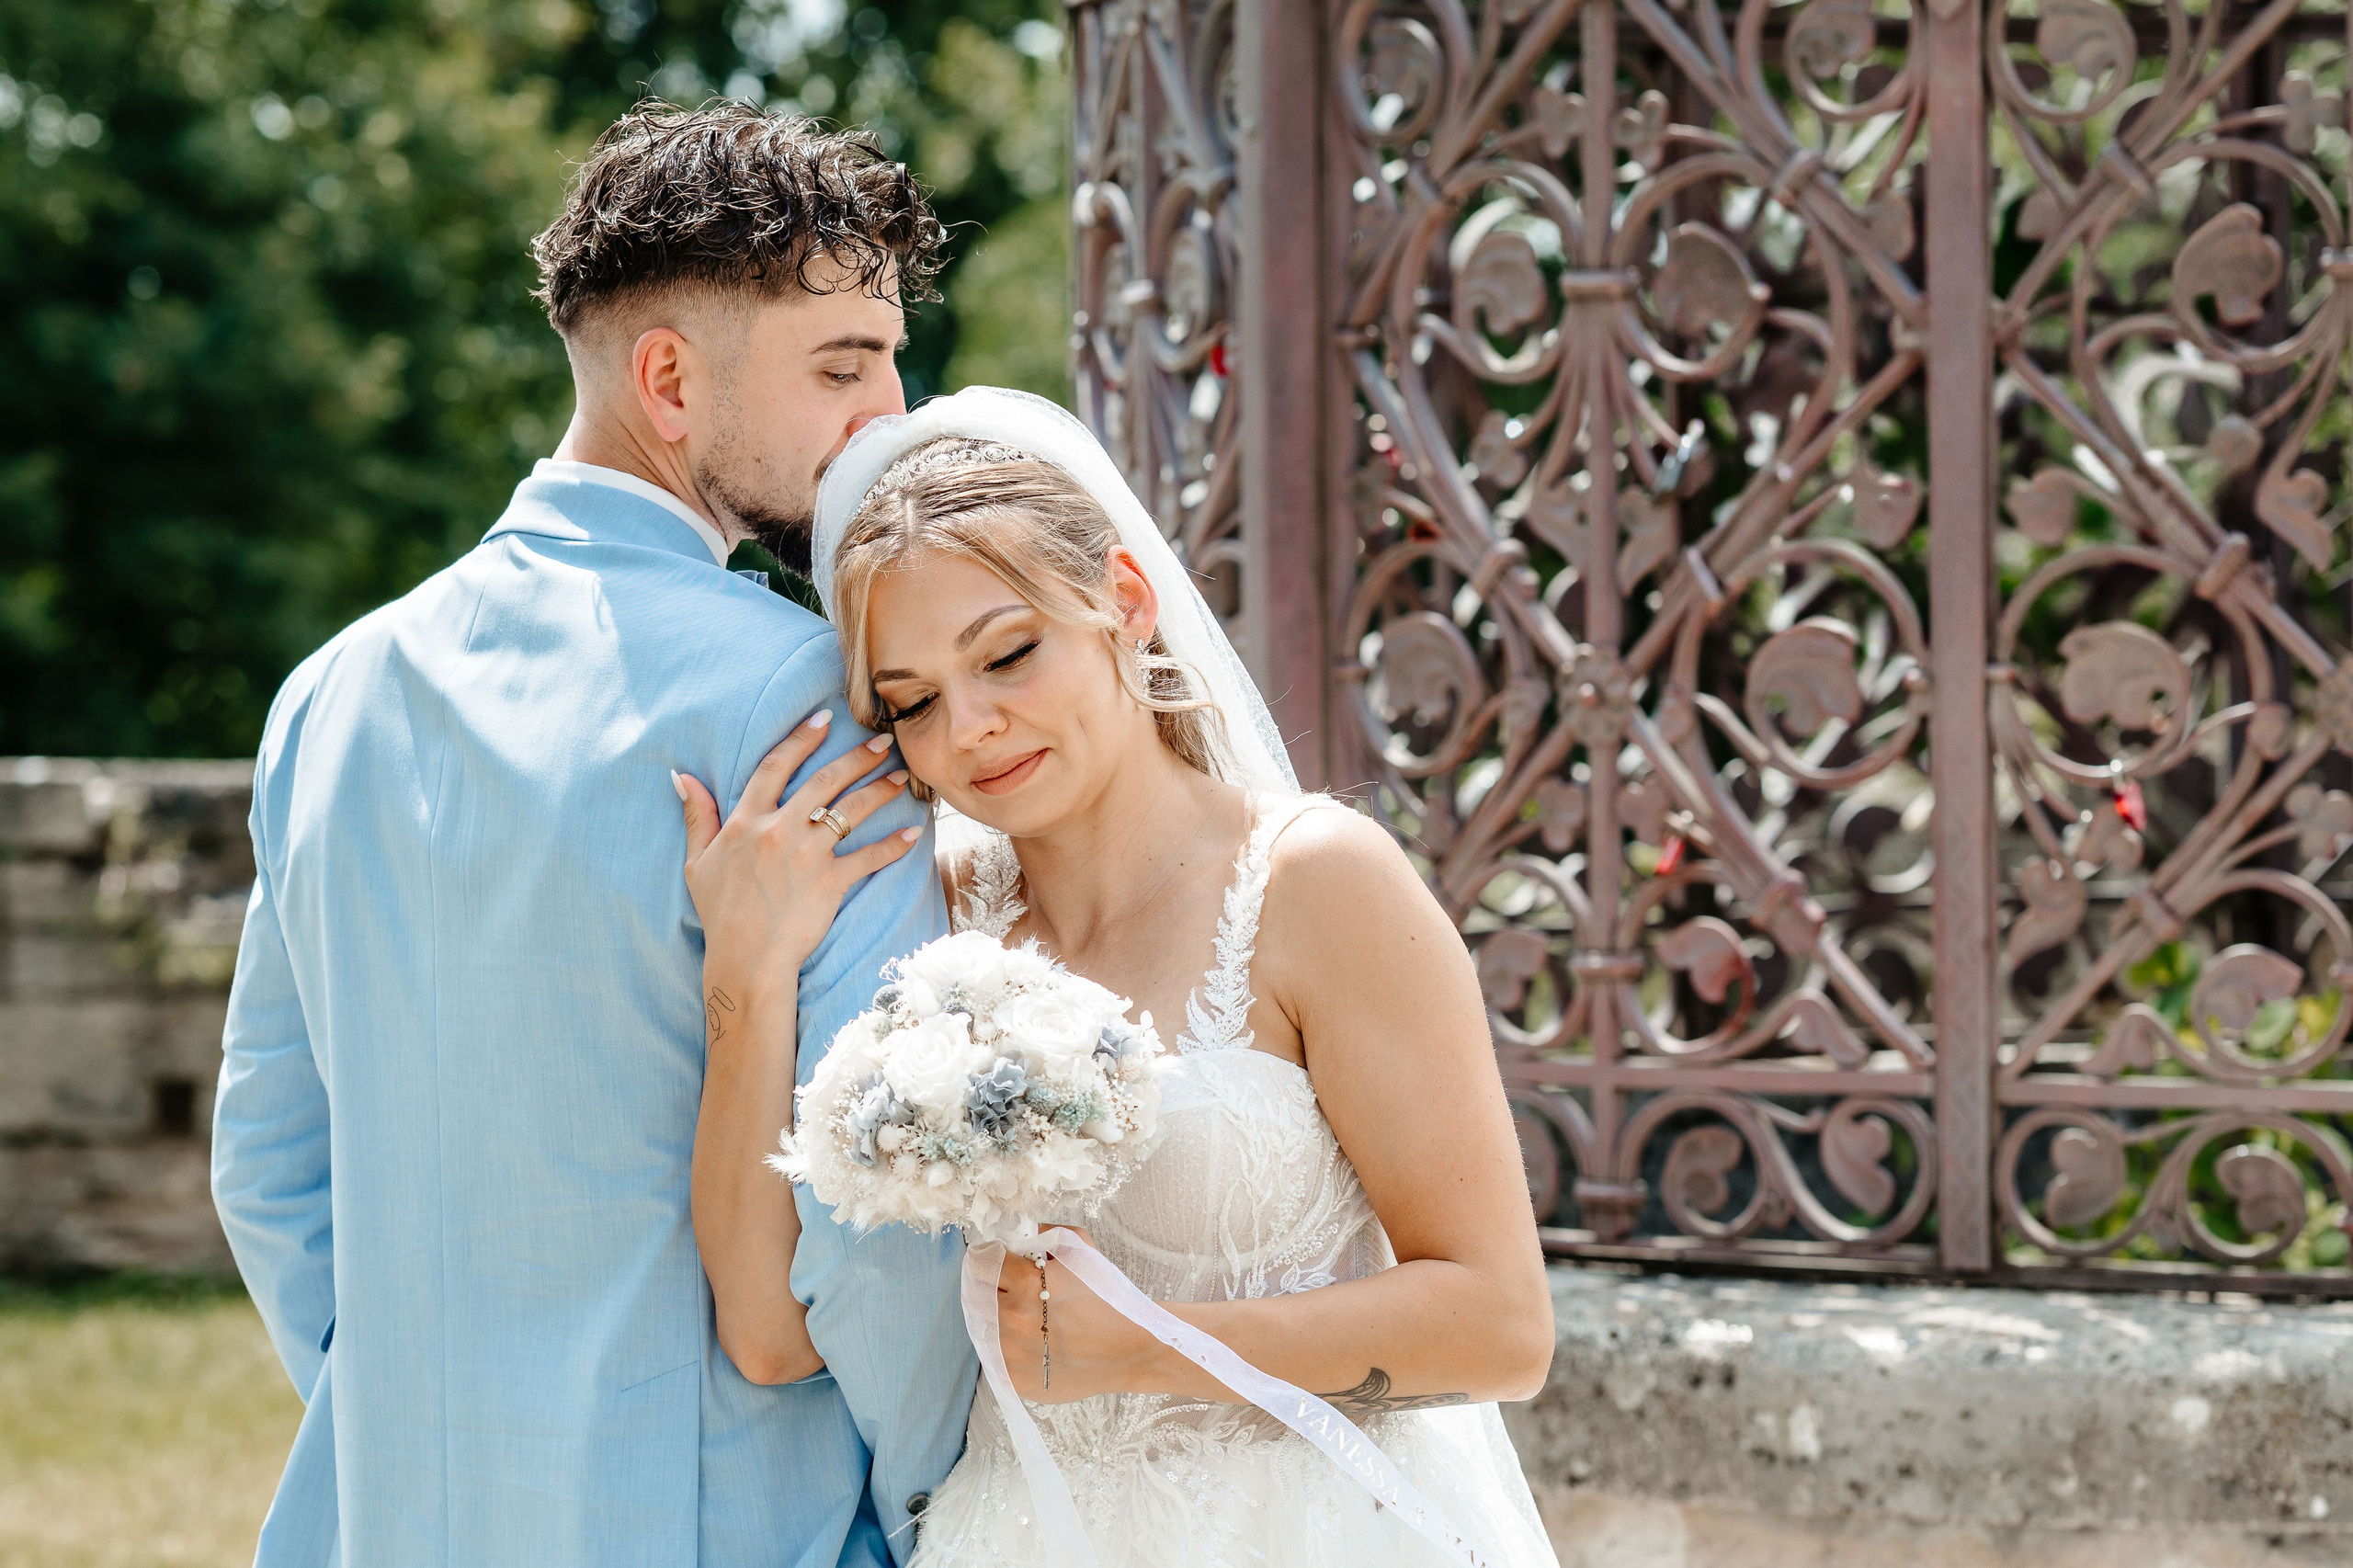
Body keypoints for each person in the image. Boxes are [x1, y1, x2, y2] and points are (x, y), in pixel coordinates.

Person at [210, 102, 974, 1567]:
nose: (892, 416)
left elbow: (265, 1163)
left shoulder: (331, 690)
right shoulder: (804, 692)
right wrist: (938, 1494)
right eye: (842, 367)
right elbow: (878, 1225)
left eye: (889, 359)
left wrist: (420, 1417)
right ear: (669, 380)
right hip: (736, 1517)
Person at [678, 386, 1561, 1565]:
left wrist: (1152, 1345)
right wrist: (746, 975)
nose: (974, 726)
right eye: (914, 703)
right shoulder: (924, 922)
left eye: (1008, 653)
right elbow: (771, 1332)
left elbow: (1501, 1324)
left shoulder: (1316, 884)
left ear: (1124, 602)